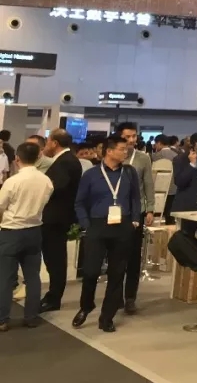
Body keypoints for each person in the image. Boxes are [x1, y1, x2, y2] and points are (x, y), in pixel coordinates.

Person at [72, 135, 141, 332]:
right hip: (97, 225)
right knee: (91, 271)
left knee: (117, 273)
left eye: (126, 149)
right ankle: (86, 306)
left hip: (123, 226)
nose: (125, 152)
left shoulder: (129, 173)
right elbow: (79, 202)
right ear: (109, 151)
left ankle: (107, 317)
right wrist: (86, 224)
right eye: (122, 149)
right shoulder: (91, 174)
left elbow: (136, 198)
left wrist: (135, 220)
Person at [0, 142, 54, 332]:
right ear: (38, 157)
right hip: (34, 231)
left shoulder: (12, 181)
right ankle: (31, 317)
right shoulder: (46, 181)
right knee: (32, 277)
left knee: (5, 278)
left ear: (17, 158)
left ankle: (2, 319)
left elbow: (0, 206)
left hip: (11, 231)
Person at [39, 129, 82, 313]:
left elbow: (57, 188)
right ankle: (53, 295)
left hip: (56, 218)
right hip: (55, 217)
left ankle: (54, 297)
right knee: (52, 258)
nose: (46, 145)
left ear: (55, 143)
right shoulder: (65, 160)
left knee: (55, 259)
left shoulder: (67, 161)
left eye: (48, 141)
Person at [117, 122, 155, 315]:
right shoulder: (113, 156)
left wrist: (150, 209)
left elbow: (148, 184)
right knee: (116, 255)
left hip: (136, 212)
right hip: (114, 212)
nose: (132, 140)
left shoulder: (143, 158)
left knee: (133, 256)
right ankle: (115, 295)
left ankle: (130, 297)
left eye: (134, 136)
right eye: (127, 137)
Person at [172, 139, 197, 236]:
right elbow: (179, 181)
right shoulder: (180, 159)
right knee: (187, 238)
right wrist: (192, 164)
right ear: (193, 147)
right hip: (189, 207)